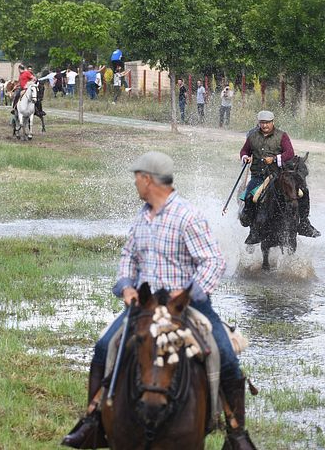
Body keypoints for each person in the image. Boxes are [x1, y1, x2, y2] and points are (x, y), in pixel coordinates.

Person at [62, 151, 256, 450]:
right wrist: (127, 286)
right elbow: (129, 256)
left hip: (187, 306)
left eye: (137, 178)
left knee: (225, 356)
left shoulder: (187, 216)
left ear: (148, 179)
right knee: (104, 346)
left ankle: (236, 432)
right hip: (146, 306)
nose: (136, 184)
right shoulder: (143, 216)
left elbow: (213, 262)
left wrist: (189, 292)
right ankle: (92, 421)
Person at [238, 110, 321, 245]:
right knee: (249, 197)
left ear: (273, 122)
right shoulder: (252, 136)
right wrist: (245, 157)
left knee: (303, 193)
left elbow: (290, 152)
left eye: (267, 123)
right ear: (259, 123)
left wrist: (276, 159)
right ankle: (253, 230)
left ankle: (304, 223)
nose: (264, 125)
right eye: (262, 123)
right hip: (258, 176)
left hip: (278, 175)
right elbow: (244, 150)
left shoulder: (282, 136)